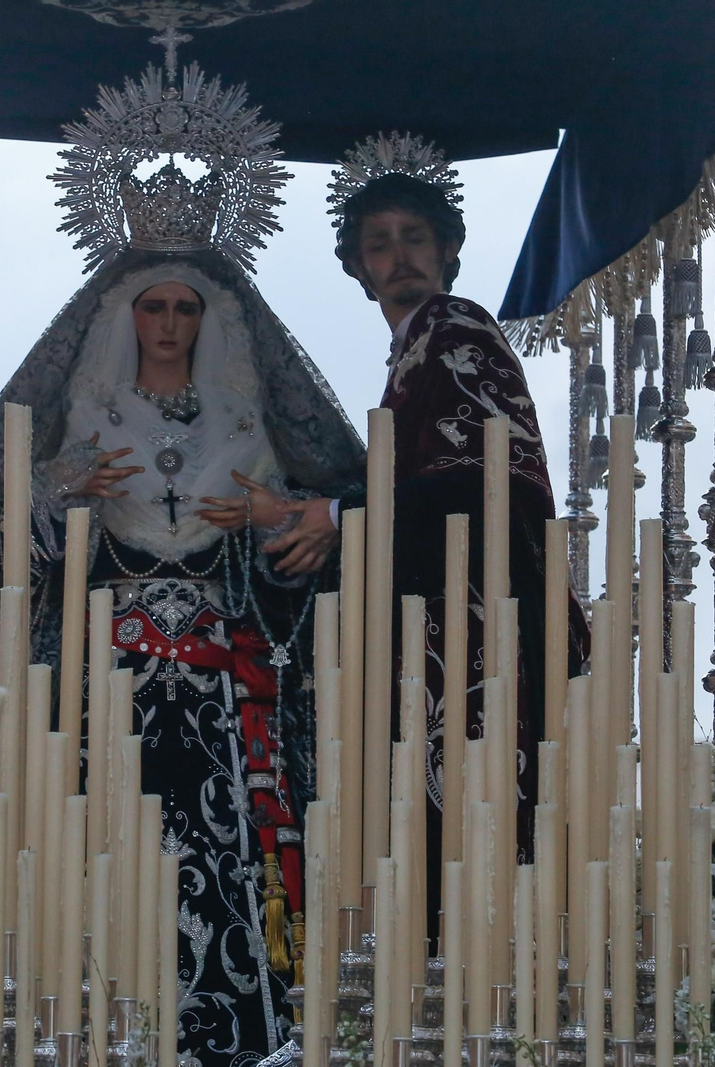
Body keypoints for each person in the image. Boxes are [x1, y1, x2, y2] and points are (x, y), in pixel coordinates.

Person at [0, 248, 364, 1066]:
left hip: (224, 692)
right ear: (124, 317)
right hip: (97, 687)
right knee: (88, 839)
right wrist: (51, 498)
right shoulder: (78, 427)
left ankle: (244, 1035)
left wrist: (271, 524)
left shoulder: (247, 432)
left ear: (209, 320)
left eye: (185, 308)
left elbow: (307, 577)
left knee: (230, 859)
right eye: (154, 306)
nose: (169, 324)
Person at [286, 141, 590, 938]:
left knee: (463, 836)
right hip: (450, 631)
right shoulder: (413, 350)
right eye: (379, 244)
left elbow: (472, 481)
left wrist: (335, 516)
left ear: (449, 248)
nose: (398, 258)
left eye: (414, 237)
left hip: (475, 635)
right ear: (358, 268)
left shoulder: (454, 326)